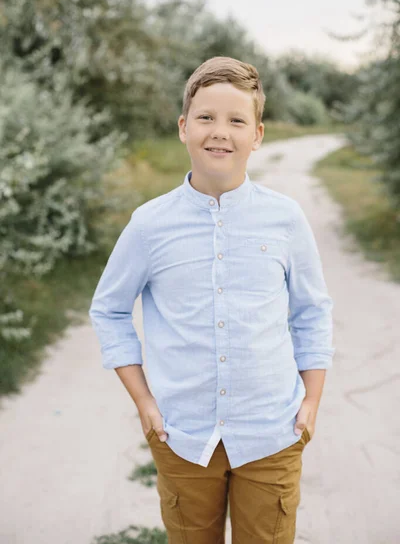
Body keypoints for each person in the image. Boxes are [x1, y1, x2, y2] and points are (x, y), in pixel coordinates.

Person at [88, 56, 335, 543]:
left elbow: (312, 311)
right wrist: (144, 401)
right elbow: (109, 310)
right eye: (206, 118)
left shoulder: (285, 219)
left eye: (236, 120)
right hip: (182, 438)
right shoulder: (150, 224)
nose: (220, 132)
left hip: (272, 434)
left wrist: (312, 402)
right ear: (184, 127)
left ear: (258, 135)